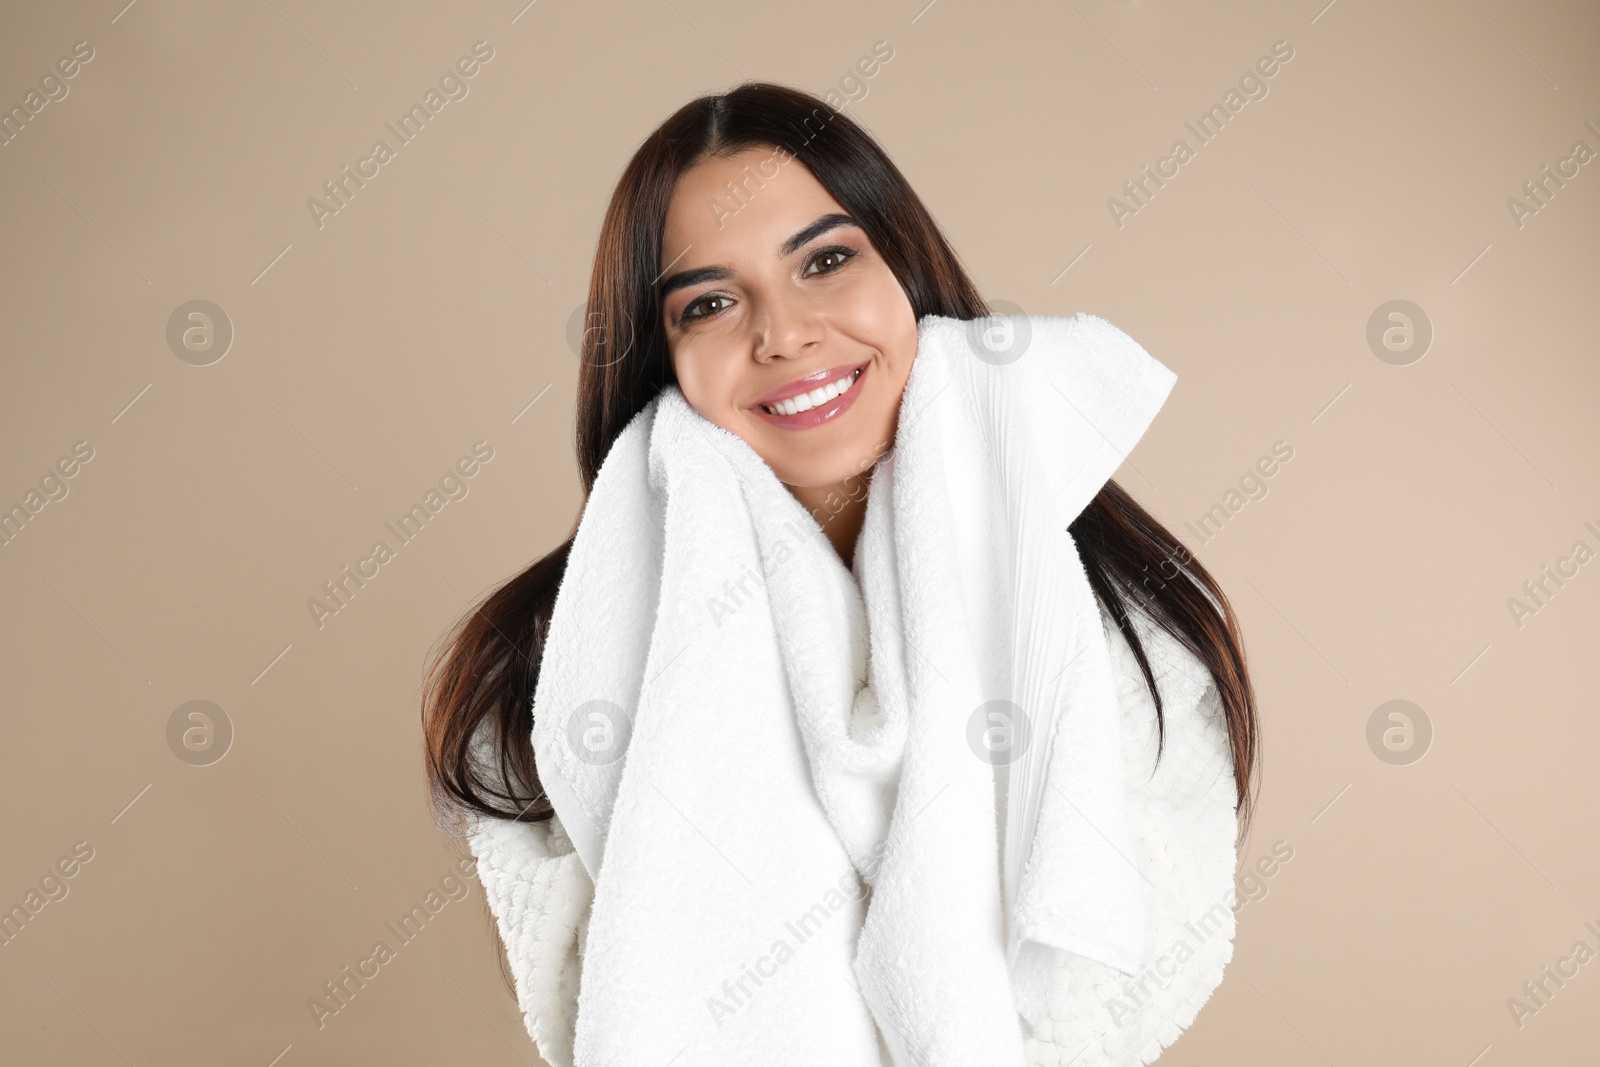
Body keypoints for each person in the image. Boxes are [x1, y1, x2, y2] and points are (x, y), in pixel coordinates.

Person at [422, 81, 1259, 1067]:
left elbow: (1125, 961)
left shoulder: (1119, 613)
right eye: (710, 302)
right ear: (665, 356)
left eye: (824, 259)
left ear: (903, 268)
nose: (782, 333)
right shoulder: (546, 666)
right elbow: (605, 993)